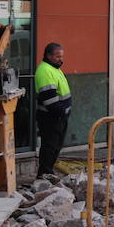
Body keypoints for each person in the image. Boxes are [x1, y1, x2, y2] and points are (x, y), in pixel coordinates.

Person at [35, 42, 71, 178]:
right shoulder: (45, 71)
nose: (61, 59)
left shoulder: (54, 68)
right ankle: (44, 175)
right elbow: (49, 99)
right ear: (49, 56)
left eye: (62, 56)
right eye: (57, 56)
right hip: (51, 117)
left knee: (54, 147)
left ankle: (47, 173)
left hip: (58, 116)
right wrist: (62, 112)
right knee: (49, 148)